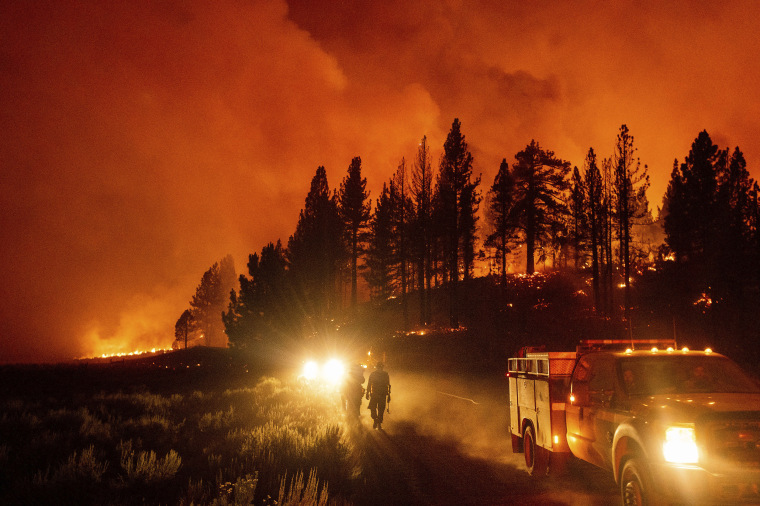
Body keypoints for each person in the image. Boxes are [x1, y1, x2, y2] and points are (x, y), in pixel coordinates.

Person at [366, 361, 391, 429]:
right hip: (382, 395)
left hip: (374, 394)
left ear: (376, 367)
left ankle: (375, 419)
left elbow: (369, 384)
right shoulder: (385, 374)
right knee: (381, 409)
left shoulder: (373, 374)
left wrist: (367, 393)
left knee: (372, 408)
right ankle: (379, 423)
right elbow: (388, 385)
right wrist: (389, 395)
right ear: (382, 367)